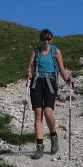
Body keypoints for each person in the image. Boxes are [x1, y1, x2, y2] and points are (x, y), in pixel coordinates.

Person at [26, 29, 74, 159]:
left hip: (50, 84)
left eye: (48, 39)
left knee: (48, 113)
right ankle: (39, 147)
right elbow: (29, 69)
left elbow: (62, 70)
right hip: (36, 83)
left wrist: (68, 79)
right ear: (40, 39)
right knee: (38, 114)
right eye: (43, 38)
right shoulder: (35, 52)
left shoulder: (55, 51)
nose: (46, 41)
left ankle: (53, 136)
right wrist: (28, 73)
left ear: (51, 39)